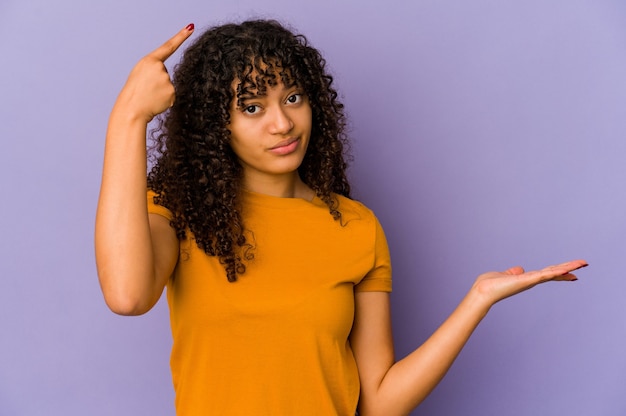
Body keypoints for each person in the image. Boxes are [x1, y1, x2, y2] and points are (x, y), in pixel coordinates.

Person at [95, 19, 587, 416]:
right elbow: (127, 295)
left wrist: (478, 300)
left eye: (292, 97)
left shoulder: (355, 226)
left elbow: (377, 402)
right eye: (251, 107)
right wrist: (129, 117)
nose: (282, 123)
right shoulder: (182, 212)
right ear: (215, 124)